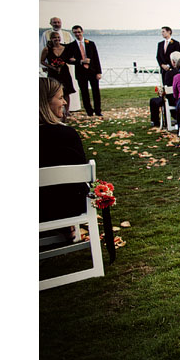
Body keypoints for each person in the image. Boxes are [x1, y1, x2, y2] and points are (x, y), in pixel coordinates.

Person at [39, 77, 88, 224]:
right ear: (45, 102)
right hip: (70, 206)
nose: (65, 102)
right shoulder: (67, 134)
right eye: (60, 98)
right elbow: (82, 174)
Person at [64, 25, 103, 117]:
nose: (77, 34)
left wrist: (99, 72)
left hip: (92, 71)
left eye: (78, 32)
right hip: (81, 72)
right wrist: (80, 61)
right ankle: (89, 111)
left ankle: (98, 110)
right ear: (73, 33)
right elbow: (68, 59)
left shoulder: (90, 43)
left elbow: (96, 58)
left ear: (82, 32)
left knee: (96, 92)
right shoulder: (71, 46)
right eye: (75, 32)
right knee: (84, 92)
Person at [149, 51, 180, 127]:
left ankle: (155, 121)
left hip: (172, 99)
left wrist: (161, 92)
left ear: (173, 62)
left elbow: (167, 88)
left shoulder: (170, 73)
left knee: (153, 101)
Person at [40, 31, 76, 103]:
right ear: (51, 39)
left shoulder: (65, 48)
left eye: (58, 37)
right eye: (54, 37)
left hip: (64, 71)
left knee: (66, 91)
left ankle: (66, 111)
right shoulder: (47, 49)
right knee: (53, 91)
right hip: (53, 72)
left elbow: (70, 58)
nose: (57, 39)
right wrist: (51, 67)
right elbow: (42, 61)